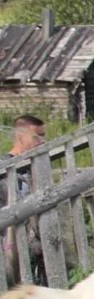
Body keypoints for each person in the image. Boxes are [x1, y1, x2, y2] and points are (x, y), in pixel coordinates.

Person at [2, 115, 46, 286]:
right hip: (8, 244)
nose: (43, 142)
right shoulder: (3, 168)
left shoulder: (36, 166)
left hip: (33, 243)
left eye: (44, 136)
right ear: (20, 137)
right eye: (37, 137)